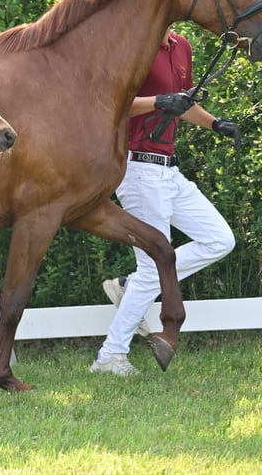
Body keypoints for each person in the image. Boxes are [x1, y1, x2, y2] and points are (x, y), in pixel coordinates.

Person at [89, 27, 242, 377]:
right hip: (138, 168)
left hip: (169, 171)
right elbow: (114, 106)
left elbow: (183, 105)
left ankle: (130, 287)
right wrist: (159, 101)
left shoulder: (181, 46)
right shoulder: (133, 44)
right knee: (153, 267)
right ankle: (110, 356)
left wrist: (216, 124)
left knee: (220, 239)